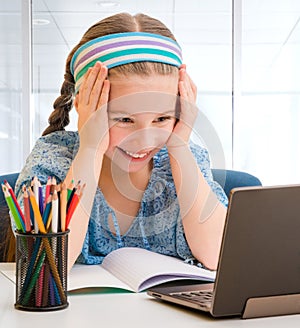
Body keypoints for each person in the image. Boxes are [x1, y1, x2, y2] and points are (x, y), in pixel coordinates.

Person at [14, 12, 228, 271]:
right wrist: (90, 149)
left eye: (162, 118)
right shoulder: (52, 160)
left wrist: (179, 147)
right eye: (125, 120)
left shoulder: (185, 158)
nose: (144, 140)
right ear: (84, 105)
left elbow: (220, 256)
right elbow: (46, 268)